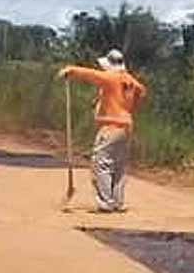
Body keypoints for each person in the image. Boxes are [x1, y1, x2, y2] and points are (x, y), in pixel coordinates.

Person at [58, 49, 146, 213]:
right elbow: (141, 91)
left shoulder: (111, 77)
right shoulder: (130, 80)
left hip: (111, 126)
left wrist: (71, 70)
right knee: (118, 165)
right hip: (126, 126)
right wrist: (123, 105)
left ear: (111, 65)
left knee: (101, 163)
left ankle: (106, 201)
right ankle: (117, 201)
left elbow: (91, 75)